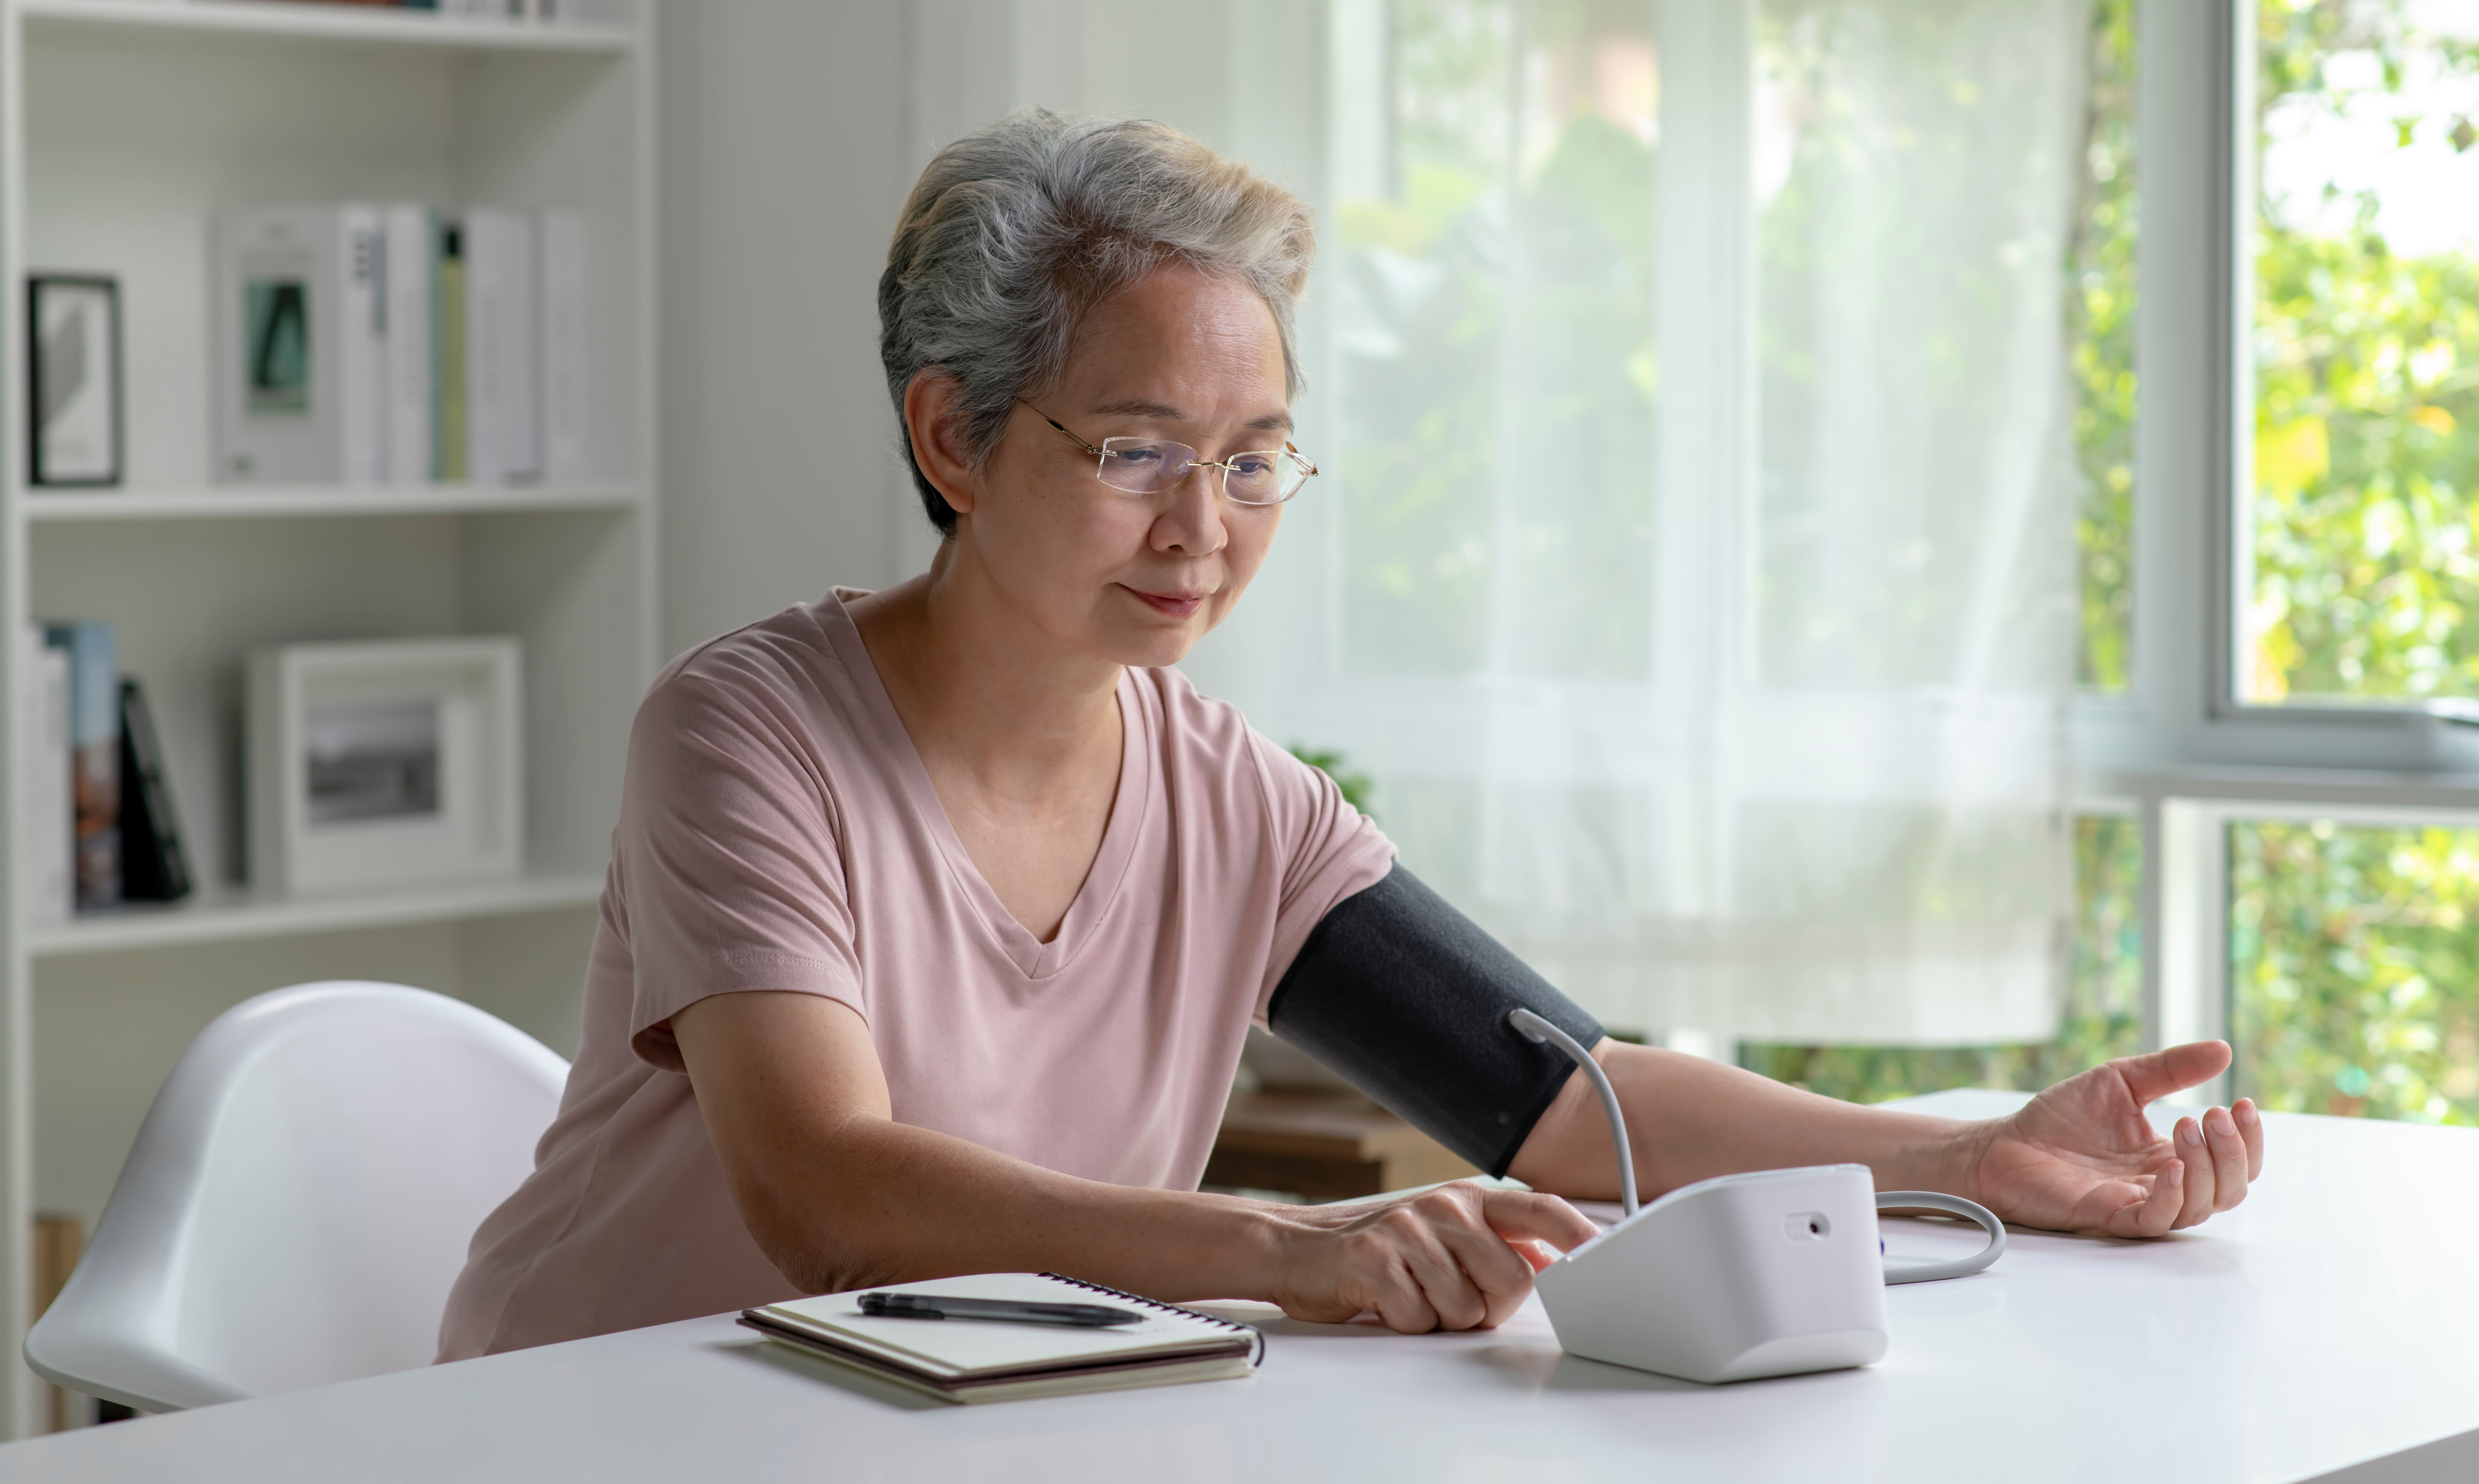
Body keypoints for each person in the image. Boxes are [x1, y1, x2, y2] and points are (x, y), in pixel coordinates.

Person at [437, 112, 2266, 1359]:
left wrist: (1967, 1155)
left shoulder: (1224, 794)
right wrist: (1280, 1251)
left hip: (944, 1429)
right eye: (1139, 448)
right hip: (584, 1424)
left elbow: (1568, 1100)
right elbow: (827, 1194)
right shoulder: (750, 736)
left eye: (1253, 461)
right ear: (953, 439)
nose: (1203, 526)